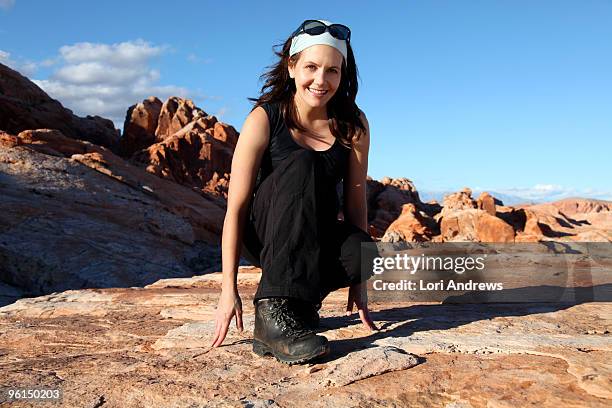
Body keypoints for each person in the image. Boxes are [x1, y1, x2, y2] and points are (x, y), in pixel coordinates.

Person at [211, 19, 378, 365]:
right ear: (291, 66)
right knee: (304, 163)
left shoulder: (353, 125)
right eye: (311, 67)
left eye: (332, 70)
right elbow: (237, 208)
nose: (321, 80)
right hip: (266, 233)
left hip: (315, 235)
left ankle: (295, 309)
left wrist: (360, 282)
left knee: (362, 250)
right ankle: (273, 309)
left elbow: (355, 204)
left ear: (343, 74)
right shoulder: (265, 118)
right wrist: (229, 288)